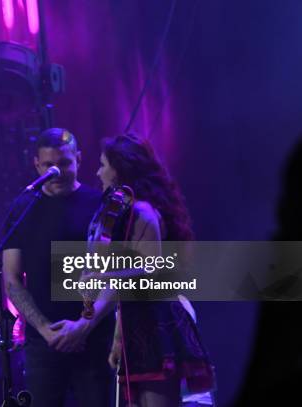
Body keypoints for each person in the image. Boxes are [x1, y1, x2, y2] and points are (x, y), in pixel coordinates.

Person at [89, 134, 215, 407]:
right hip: (137, 325)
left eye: (103, 165)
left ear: (119, 169)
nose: (98, 172)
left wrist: (102, 275)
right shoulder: (126, 212)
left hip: (157, 325)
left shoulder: (143, 211)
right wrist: (117, 340)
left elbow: (152, 270)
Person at [2, 128, 115, 406]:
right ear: (36, 165)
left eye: (65, 163)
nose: (58, 171)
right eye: (49, 165)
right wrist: (45, 330)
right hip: (43, 343)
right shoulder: (23, 208)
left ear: (78, 158)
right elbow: (12, 279)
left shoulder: (99, 204)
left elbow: (113, 275)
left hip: (94, 339)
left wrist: (82, 327)